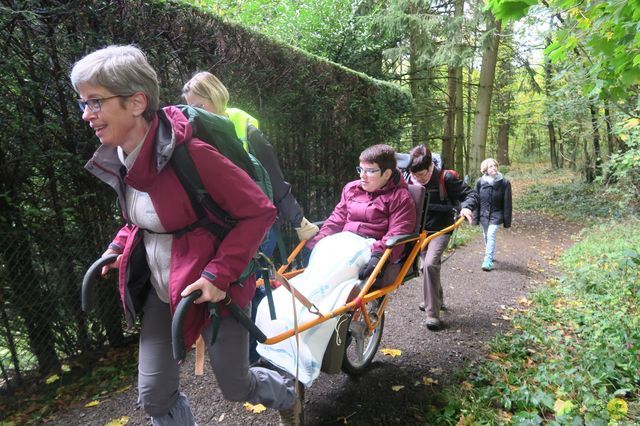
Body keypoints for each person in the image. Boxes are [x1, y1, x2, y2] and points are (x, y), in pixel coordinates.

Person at [71, 45, 303, 425]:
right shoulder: (122, 156)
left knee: (235, 385)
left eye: (95, 102)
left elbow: (259, 211)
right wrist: (117, 247)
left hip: (215, 288)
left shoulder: (192, 155)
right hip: (164, 291)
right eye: (83, 103)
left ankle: (288, 395)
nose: (86, 115)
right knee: (154, 396)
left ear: (136, 102)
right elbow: (144, 218)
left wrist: (218, 274)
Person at [181, 71, 318, 363]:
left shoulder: (244, 128)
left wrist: (297, 220)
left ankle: (254, 353)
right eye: (190, 106)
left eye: (200, 105)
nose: (194, 113)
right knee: (241, 283)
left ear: (215, 98)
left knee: (245, 282)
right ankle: (254, 347)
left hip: (253, 223)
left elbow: (275, 179)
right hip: (220, 223)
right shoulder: (194, 130)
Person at [307, 144, 416, 286]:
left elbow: (398, 232)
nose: (362, 176)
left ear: (387, 174)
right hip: (343, 241)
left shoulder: (400, 197)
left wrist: (379, 255)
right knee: (322, 252)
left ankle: (314, 300)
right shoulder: (351, 189)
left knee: (336, 271)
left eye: (370, 171)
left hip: (370, 246)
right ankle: (301, 296)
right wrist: (317, 241)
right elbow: (337, 219)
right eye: (361, 169)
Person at [406, 145, 478, 331]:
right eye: (415, 175)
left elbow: (470, 194)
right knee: (427, 267)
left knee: (429, 264)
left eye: (422, 174)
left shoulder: (445, 178)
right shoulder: (408, 178)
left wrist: (466, 207)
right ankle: (436, 299)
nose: (418, 179)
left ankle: (432, 314)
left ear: (430, 166)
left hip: (441, 229)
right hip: (419, 231)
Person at [474, 158, 512, 271]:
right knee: (486, 235)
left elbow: (507, 203)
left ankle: (487, 260)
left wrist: (507, 221)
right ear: (485, 169)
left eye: (495, 166)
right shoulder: (480, 182)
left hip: (497, 213)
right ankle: (489, 254)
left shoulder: (504, 183)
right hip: (483, 214)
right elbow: (475, 200)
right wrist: (475, 217)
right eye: (491, 166)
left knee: (490, 234)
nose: (494, 168)